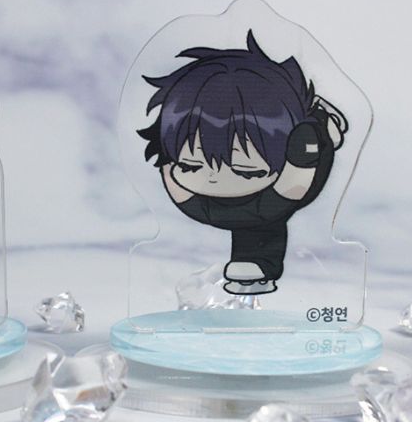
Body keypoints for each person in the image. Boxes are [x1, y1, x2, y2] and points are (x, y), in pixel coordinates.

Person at [139, 31, 346, 295]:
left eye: (246, 170)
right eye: (191, 166)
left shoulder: (300, 150)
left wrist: (307, 150)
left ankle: (323, 122)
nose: (214, 177)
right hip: (276, 180)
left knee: (284, 193)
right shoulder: (181, 165)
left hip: (298, 167)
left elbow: (293, 188)